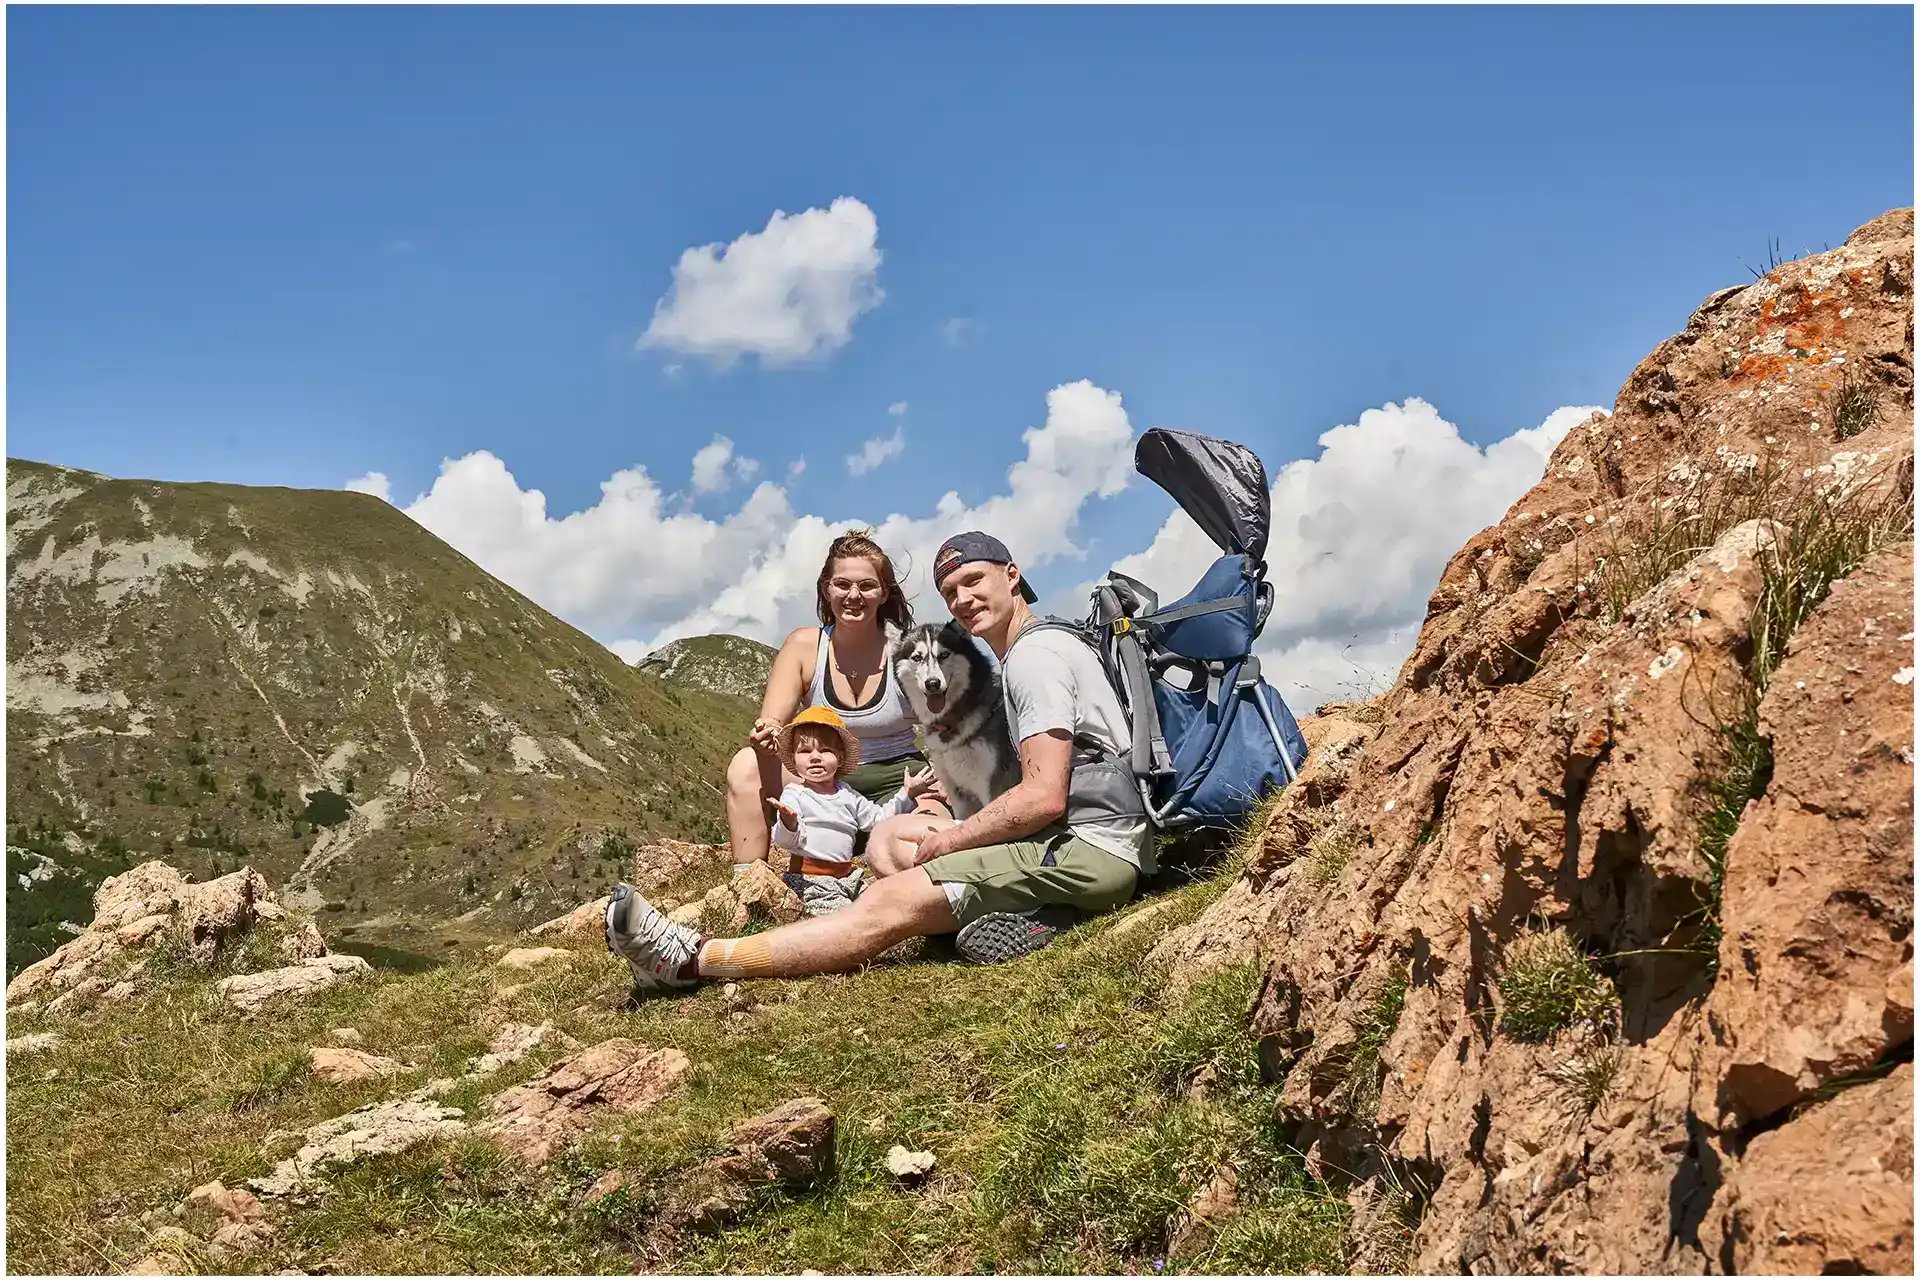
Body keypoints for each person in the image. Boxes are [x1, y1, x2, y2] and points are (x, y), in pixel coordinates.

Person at [607, 530, 1150, 989]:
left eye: (974, 581)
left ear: (1012, 576)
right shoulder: (1037, 648)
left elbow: (1042, 797)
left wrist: (952, 840)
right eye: (951, 592)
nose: (962, 600)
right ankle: (1034, 915)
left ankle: (690, 961)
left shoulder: (1034, 659)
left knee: (887, 901)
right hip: (1076, 840)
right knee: (890, 846)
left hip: (1087, 848)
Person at [722, 529, 941, 879]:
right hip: (817, 779)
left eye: (866, 586)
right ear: (827, 589)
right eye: (842, 584)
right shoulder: (804, 647)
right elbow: (773, 723)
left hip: (896, 779)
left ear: (883, 593)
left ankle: (926, 893)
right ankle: (750, 887)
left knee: (933, 832)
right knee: (746, 766)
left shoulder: (908, 651)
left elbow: (948, 724)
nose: (853, 595)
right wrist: (767, 736)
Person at [769, 705, 939, 915]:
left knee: (882, 904)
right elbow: (786, 841)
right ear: (794, 758)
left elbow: (877, 819)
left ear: (840, 758)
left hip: (847, 876)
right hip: (811, 880)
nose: (815, 757)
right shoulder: (795, 794)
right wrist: (789, 823)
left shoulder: (847, 794)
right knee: (847, 915)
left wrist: (907, 794)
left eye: (825, 750)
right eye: (805, 751)